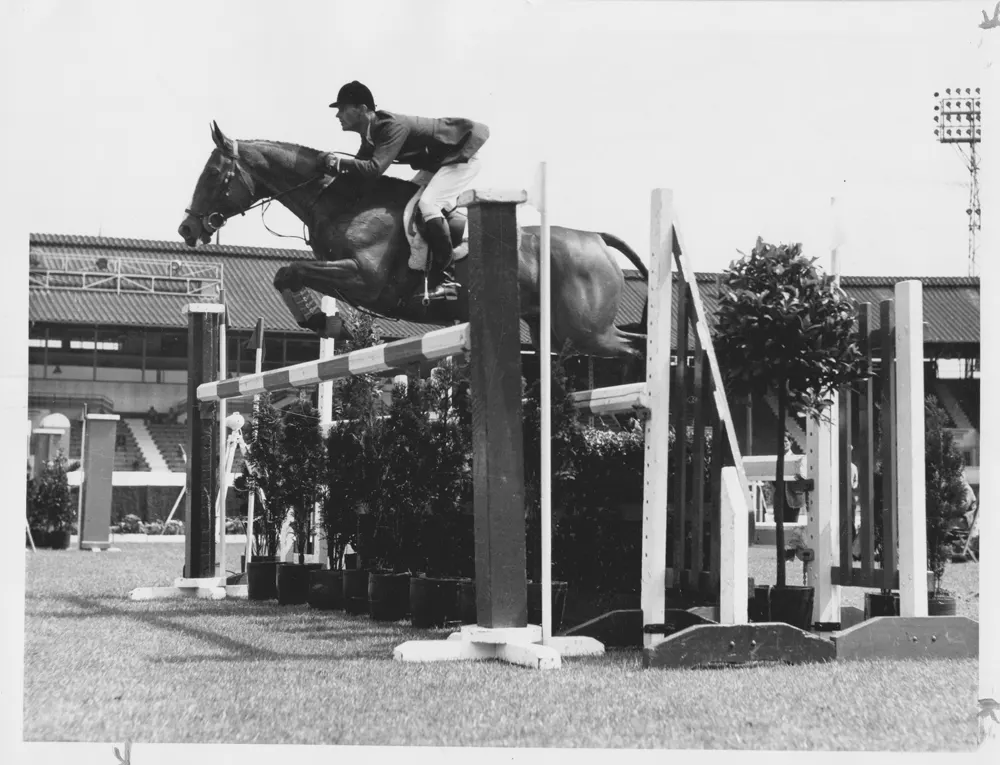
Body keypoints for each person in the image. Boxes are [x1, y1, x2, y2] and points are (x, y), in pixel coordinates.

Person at [319, 81, 490, 302]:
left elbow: (373, 169)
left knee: (428, 204)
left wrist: (335, 161)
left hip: (461, 159)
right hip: (437, 165)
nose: (338, 115)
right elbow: (359, 175)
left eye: (342, 109)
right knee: (408, 203)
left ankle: (448, 281)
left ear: (362, 109)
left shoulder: (391, 127)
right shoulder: (370, 135)